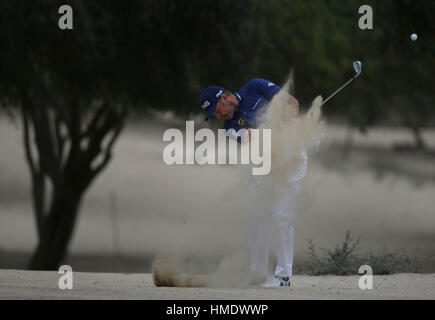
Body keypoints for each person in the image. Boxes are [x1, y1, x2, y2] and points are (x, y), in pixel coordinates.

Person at [199, 79, 307, 287]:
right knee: (259, 218)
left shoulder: (255, 87)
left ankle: (283, 276)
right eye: (213, 114)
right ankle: (258, 273)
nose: (217, 115)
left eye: (216, 110)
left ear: (223, 98)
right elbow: (254, 138)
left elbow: (291, 101)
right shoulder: (228, 128)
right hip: (264, 167)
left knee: (281, 215)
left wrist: (292, 120)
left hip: (291, 161)